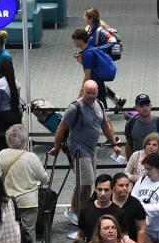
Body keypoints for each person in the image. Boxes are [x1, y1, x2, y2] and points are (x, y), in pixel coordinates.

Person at [51, 80, 123, 225]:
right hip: (78, 150)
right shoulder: (74, 108)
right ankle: (79, 213)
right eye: (88, 92)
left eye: (94, 93)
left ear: (97, 92)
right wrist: (57, 146)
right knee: (86, 183)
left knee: (85, 182)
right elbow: (61, 128)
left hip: (91, 149)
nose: (91, 96)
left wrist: (114, 143)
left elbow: (105, 124)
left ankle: (77, 210)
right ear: (83, 91)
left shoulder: (99, 104)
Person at [0, 125, 47, 243]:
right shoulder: (31, 157)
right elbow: (44, 178)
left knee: (8, 227)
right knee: (29, 229)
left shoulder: (2, 154)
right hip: (28, 201)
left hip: (8, 201)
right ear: (25, 140)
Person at [79, 174, 128, 243]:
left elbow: (124, 238)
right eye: (99, 189)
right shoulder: (85, 210)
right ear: (95, 189)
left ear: (112, 190)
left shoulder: (120, 213)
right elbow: (80, 235)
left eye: (106, 190)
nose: (102, 193)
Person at [123, 94, 159, 158]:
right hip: (138, 164)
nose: (145, 108)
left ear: (151, 106)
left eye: (147, 105)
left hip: (156, 165)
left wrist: (155, 152)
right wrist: (130, 164)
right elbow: (129, 145)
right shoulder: (130, 124)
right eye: (141, 106)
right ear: (136, 108)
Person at [113, 173, 148, 243]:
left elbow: (141, 229)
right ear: (113, 186)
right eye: (121, 185)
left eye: (127, 185)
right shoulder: (107, 201)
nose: (125, 188)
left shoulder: (135, 204)